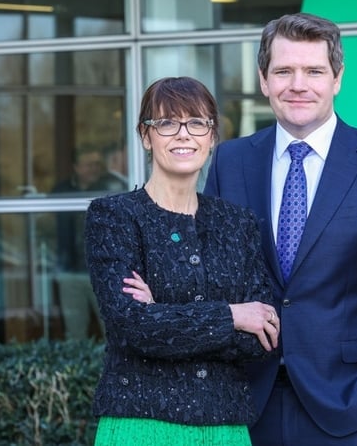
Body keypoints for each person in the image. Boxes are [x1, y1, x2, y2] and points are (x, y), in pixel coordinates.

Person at [204, 12, 357, 446]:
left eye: (314, 71)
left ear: (338, 77)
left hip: (351, 409)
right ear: (264, 79)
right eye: (284, 71)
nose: (298, 84)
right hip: (247, 406)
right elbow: (214, 279)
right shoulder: (230, 161)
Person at [84, 76, 280, 446]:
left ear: (212, 136)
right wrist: (232, 316)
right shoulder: (114, 217)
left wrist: (161, 312)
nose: (183, 134)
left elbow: (261, 339)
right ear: (146, 136)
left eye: (197, 123)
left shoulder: (237, 224)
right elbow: (132, 326)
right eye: (167, 123)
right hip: (139, 425)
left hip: (225, 428)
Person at [52, 145, 110, 339]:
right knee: (74, 332)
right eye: (88, 165)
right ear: (76, 167)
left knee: (111, 331)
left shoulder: (109, 189)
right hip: (69, 270)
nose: (94, 169)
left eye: (97, 165)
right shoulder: (61, 191)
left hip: (103, 272)